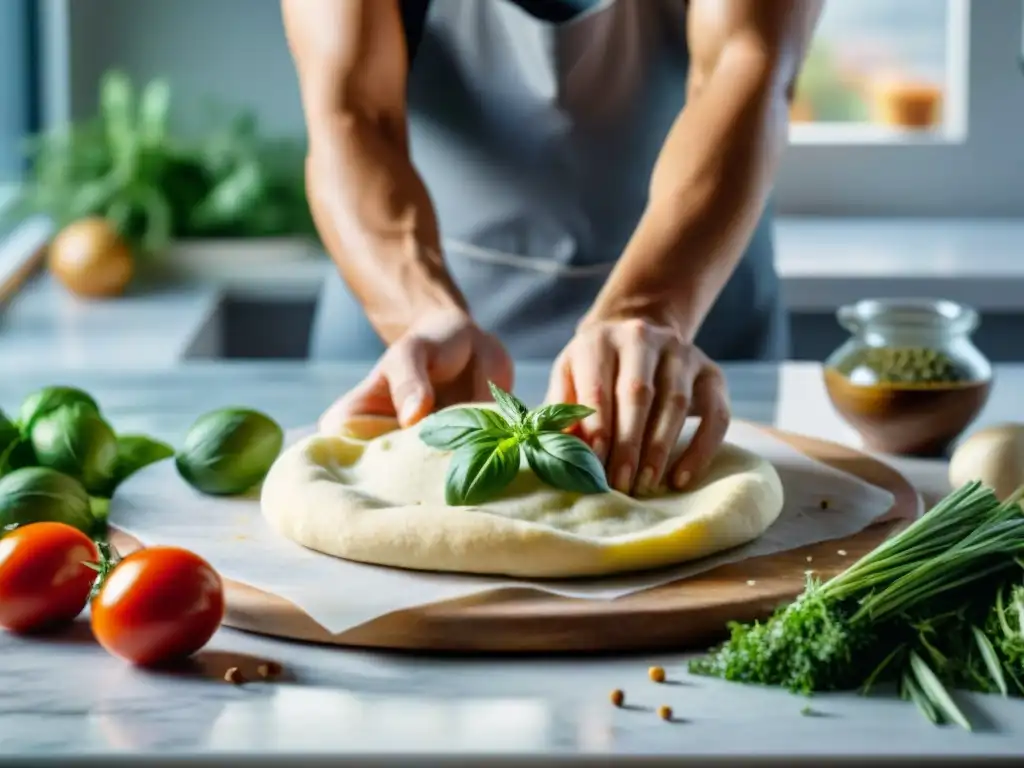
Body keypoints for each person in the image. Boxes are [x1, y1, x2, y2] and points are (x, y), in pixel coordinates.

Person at [282, 0, 822, 497]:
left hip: (689, 317)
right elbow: (350, 112)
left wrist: (648, 308)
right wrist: (421, 315)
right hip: (405, 312)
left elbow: (748, 64)